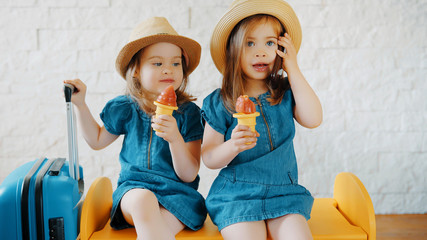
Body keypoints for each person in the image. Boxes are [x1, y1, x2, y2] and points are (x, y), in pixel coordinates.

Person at [64, 17, 207, 240]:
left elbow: (189, 175)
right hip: (134, 192)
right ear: (136, 70)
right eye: (157, 63)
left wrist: (175, 139)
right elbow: (97, 141)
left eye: (176, 63)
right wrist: (80, 105)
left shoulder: (188, 113)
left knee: (158, 232)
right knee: (143, 200)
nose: (168, 69)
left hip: (178, 197)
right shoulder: (126, 108)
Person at [201, 0, 322, 239]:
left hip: (284, 193)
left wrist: (293, 68)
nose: (261, 51)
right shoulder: (220, 101)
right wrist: (232, 145)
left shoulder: (287, 91)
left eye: (270, 42)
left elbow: (313, 119)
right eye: (249, 43)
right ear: (233, 50)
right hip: (237, 196)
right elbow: (208, 157)